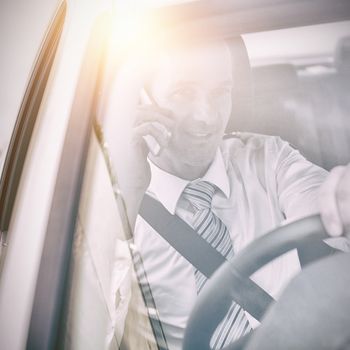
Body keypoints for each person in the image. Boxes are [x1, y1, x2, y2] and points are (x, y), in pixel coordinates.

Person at [106, 40, 349, 349]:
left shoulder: (267, 158)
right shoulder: (115, 204)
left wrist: (341, 199)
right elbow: (94, 327)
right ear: (143, 100)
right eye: (184, 93)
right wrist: (126, 197)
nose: (207, 116)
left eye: (221, 92)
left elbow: (321, 200)